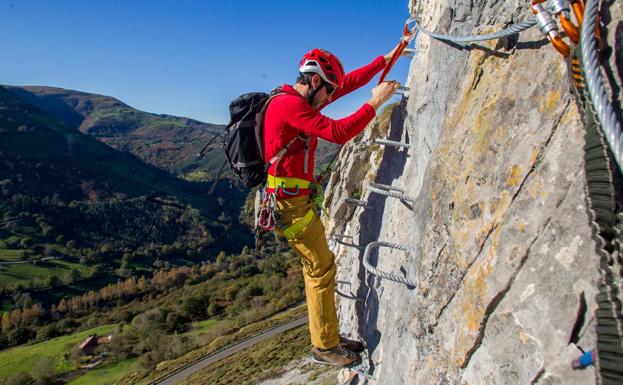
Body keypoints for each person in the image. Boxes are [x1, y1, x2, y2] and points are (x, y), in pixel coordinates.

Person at [262, 48, 401, 367]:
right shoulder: (289, 106)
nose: (329, 99)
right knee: (320, 266)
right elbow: (338, 134)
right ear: (314, 81)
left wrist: (384, 60)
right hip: (290, 204)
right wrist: (375, 102)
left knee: (319, 265)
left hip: (292, 199)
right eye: (327, 92)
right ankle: (324, 346)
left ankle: (328, 338)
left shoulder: (295, 99)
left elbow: (346, 84)